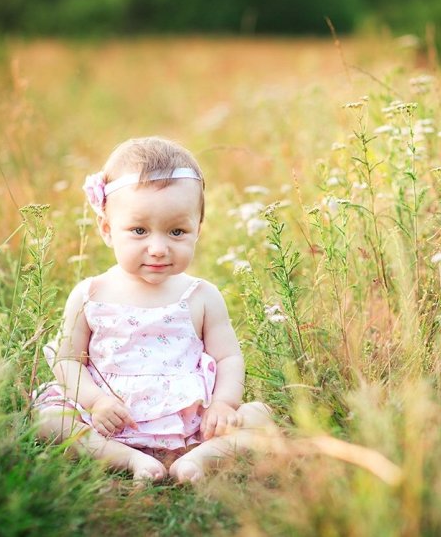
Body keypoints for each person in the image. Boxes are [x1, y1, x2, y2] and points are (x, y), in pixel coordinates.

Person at [33, 136, 274, 483]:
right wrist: (95, 402)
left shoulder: (201, 296)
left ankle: (198, 458)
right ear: (106, 229)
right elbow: (68, 360)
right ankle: (127, 458)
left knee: (260, 415)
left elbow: (228, 358)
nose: (158, 248)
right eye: (139, 231)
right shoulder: (91, 294)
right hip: (110, 417)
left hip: (188, 418)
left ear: (197, 230)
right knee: (50, 421)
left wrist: (223, 404)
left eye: (177, 231)